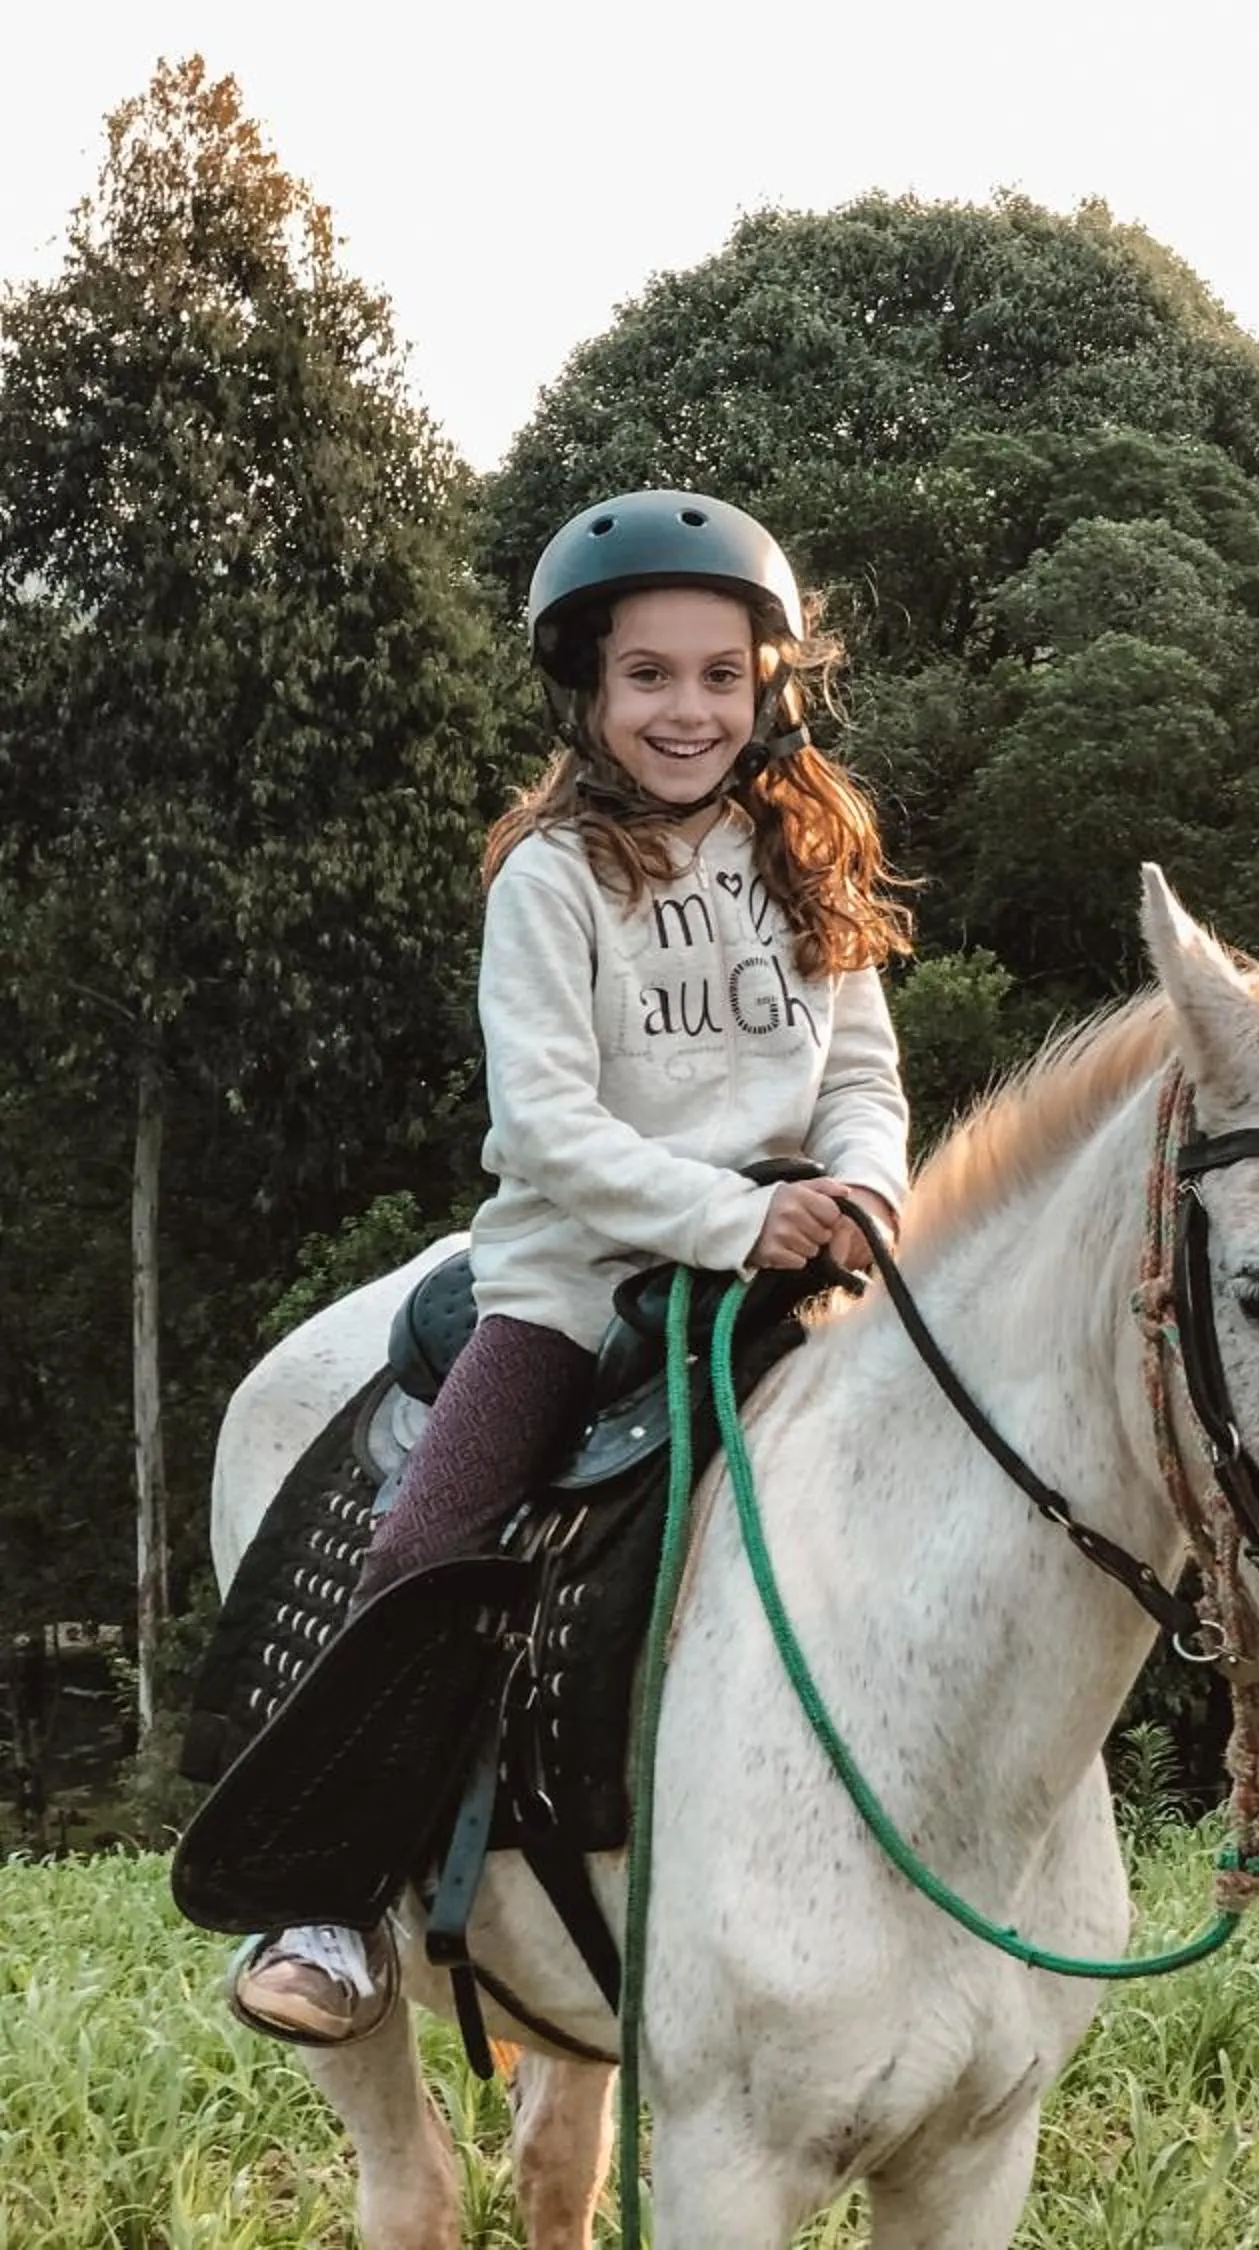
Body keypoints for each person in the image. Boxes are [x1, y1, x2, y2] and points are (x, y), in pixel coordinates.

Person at [230, 490, 917, 2044]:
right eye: (650, 677)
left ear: (769, 687)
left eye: (721, 676)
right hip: (576, 1286)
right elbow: (546, 1126)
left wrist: (866, 1182)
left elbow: (862, 1072)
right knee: (425, 1548)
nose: (689, 709)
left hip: (807, 1270)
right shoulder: (550, 876)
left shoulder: (805, 855)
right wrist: (736, 1216)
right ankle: (331, 1897)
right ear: (590, 696)